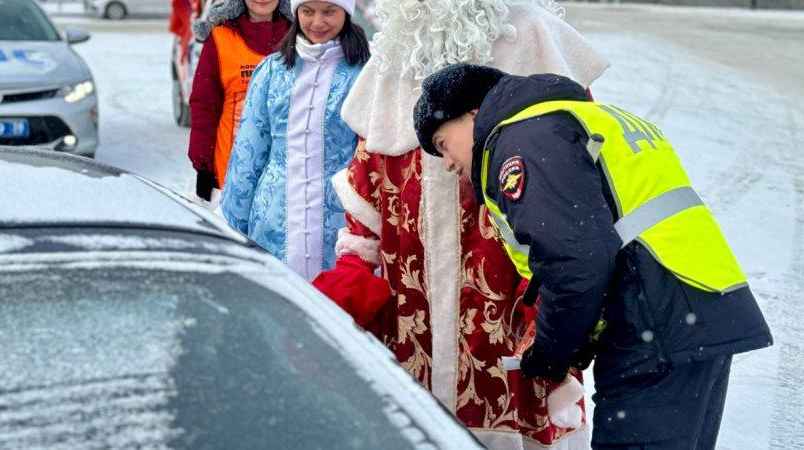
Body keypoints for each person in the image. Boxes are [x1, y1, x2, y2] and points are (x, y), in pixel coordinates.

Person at [412, 62, 774, 450]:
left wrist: (550, 353)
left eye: (443, 144)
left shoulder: (524, 139)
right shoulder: (577, 117)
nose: (448, 164)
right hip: (697, 304)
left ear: (472, 112)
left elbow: (574, 262)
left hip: (653, 323)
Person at [311, 0, 609, 448]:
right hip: (411, 320)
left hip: (512, 313)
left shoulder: (535, 37)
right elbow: (367, 201)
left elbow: (581, 193)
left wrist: (555, 313)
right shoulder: (394, 51)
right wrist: (349, 281)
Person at [220, 0, 370, 281]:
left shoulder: (366, 74)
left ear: (346, 12)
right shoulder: (271, 71)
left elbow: (373, 159)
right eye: (307, 12)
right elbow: (248, 155)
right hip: (273, 220)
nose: (317, 22)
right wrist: (232, 228)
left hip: (340, 224)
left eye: (329, 11)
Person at [188, 0, 293, 201]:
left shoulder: (301, 39)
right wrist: (203, 165)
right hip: (232, 174)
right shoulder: (220, 39)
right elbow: (205, 107)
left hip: (289, 178)